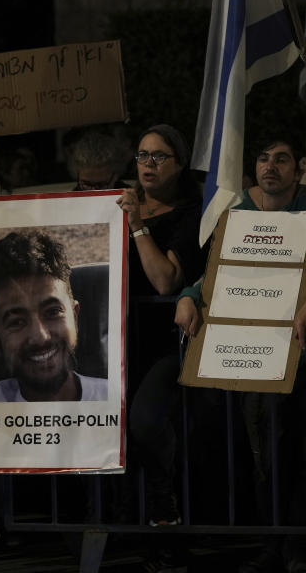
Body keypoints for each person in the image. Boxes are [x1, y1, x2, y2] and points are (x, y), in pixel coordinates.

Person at [175, 137, 306, 572]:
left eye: (282, 159)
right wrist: (190, 295)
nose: (271, 166)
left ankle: (302, 546)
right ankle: (272, 543)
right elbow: (216, 272)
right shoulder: (238, 212)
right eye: (264, 158)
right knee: (265, 450)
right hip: (256, 355)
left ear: (297, 168)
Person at [116, 124, 207, 529]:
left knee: (146, 421)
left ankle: (164, 500)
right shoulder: (119, 203)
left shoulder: (193, 214)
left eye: (158, 156)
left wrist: (137, 226)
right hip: (118, 341)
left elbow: (165, 280)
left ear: (181, 162)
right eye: (141, 156)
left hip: (167, 343)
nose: (147, 165)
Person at [0, 230, 108, 403]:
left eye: (53, 312)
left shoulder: (115, 400)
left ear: (75, 316)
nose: (41, 337)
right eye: (16, 322)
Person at [66, 128, 131, 191]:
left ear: (115, 176)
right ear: (77, 175)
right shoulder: (71, 199)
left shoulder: (130, 195)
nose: (93, 192)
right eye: (86, 184)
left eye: (101, 185)